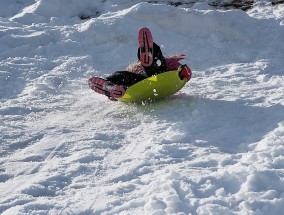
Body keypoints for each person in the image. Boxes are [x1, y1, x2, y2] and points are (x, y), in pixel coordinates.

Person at [88, 27, 191, 100]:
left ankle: (111, 85)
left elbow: (184, 72)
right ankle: (111, 86)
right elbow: (185, 73)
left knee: (124, 75)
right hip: (148, 80)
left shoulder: (169, 64)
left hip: (152, 79)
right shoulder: (168, 63)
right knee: (127, 75)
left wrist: (183, 72)